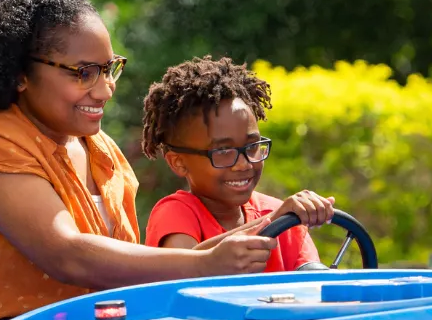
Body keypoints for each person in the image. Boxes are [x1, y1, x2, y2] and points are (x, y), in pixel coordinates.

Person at [0, 0, 275, 320]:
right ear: (19, 75)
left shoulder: (100, 149)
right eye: (84, 73)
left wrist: (267, 226)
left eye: (110, 69)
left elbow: (131, 267)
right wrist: (204, 264)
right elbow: (68, 254)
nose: (106, 90)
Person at [141, 56, 333, 270]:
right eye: (223, 151)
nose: (243, 164)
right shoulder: (177, 212)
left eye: (251, 146)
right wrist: (272, 222)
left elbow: (315, 283)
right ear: (178, 162)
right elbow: (179, 270)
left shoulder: (278, 213)